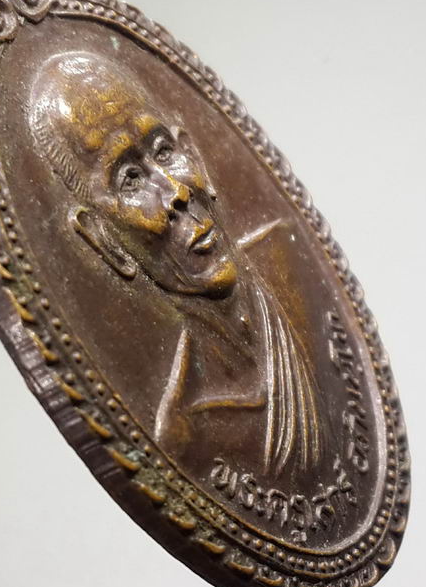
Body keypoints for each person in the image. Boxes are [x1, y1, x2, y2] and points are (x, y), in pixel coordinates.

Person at [29, 50, 326, 479]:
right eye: (130, 178)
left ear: (194, 154)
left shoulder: (291, 260)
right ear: (103, 238)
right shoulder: (188, 433)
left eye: (164, 151)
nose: (175, 193)